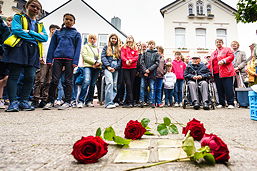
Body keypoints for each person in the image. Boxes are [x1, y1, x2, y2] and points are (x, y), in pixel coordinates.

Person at [3, 0, 48, 112]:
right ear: (27, 6)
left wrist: (30, 32)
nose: (35, 9)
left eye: (38, 8)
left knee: (30, 77)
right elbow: (16, 31)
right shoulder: (18, 17)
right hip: (19, 48)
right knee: (14, 76)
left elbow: (45, 38)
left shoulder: (40, 24)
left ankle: (24, 101)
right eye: (33, 6)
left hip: (33, 52)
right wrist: (37, 36)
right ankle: (13, 102)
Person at [43, 13, 82, 110]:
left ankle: (67, 101)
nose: (68, 21)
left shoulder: (76, 34)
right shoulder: (57, 32)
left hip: (70, 60)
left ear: (74, 22)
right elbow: (52, 47)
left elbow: (78, 49)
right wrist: (49, 60)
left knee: (68, 81)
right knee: (54, 80)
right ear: (63, 20)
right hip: (57, 59)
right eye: (66, 19)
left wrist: (75, 62)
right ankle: (50, 101)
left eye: (70, 20)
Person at [32, 24, 60, 108]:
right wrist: (40, 57)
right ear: (52, 30)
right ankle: (35, 99)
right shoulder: (45, 39)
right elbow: (40, 48)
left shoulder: (57, 41)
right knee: (40, 80)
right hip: (43, 62)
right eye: (56, 31)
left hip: (52, 62)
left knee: (49, 82)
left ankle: (45, 99)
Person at [209, 39, 235, 109]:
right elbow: (210, 63)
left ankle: (230, 103)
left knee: (228, 88)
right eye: (217, 42)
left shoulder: (227, 49)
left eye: (220, 42)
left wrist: (224, 60)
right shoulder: (213, 52)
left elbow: (231, 56)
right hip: (216, 73)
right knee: (219, 88)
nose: (218, 43)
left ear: (222, 43)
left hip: (226, 72)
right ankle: (221, 103)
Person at [77, 34, 101, 108]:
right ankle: (80, 100)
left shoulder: (97, 48)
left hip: (97, 67)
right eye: (91, 38)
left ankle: (89, 100)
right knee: (86, 81)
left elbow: (100, 57)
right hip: (88, 66)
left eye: (94, 38)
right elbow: (85, 56)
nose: (92, 40)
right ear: (88, 39)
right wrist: (94, 62)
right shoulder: (85, 47)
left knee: (93, 84)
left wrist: (98, 63)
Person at [101, 34, 121, 109]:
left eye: (115, 39)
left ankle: (111, 101)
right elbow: (103, 57)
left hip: (115, 67)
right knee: (109, 83)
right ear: (110, 39)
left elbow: (120, 60)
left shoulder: (118, 49)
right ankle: (108, 103)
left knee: (114, 85)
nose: (114, 40)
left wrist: (115, 68)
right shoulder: (106, 47)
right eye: (112, 38)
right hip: (108, 66)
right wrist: (108, 66)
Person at [139, 40, 160, 108]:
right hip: (144, 74)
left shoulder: (157, 54)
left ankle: (151, 102)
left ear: (154, 45)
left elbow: (157, 63)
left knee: (152, 88)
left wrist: (149, 70)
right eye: (150, 44)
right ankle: (141, 101)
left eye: (152, 44)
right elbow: (141, 62)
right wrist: (145, 70)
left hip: (152, 74)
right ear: (148, 45)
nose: (151, 45)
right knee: (142, 87)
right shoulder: (144, 53)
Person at [121, 35, 138, 108]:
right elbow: (122, 56)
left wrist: (131, 60)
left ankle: (128, 102)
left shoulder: (135, 48)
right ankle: (130, 102)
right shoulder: (123, 47)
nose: (129, 39)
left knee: (131, 84)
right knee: (128, 84)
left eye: (131, 38)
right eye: (128, 38)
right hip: (125, 67)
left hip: (133, 67)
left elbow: (136, 56)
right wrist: (126, 60)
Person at [0, 17, 11, 109]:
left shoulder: (4, 27)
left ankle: (2, 99)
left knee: (4, 78)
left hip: (4, 55)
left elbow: (5, 43)